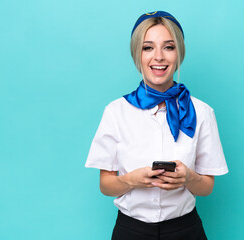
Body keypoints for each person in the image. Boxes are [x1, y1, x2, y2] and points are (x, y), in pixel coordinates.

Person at [85, 11, 228, 240]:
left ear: (179, 53)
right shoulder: (115, 112)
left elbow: (207, 187)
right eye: (148, 47)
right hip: (130, 231)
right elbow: (106, 185)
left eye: (168, 47)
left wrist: (189, 178)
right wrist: (132, 180)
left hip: (186, 231)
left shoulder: (202, 112)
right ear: (137, 54)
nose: (158, 57)